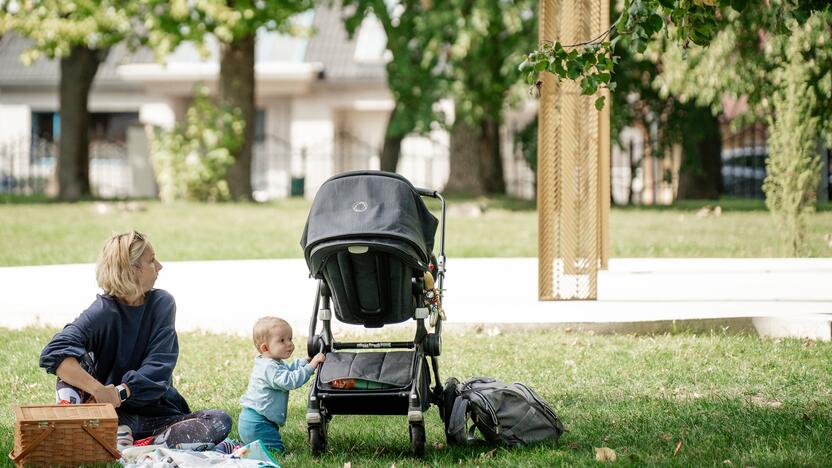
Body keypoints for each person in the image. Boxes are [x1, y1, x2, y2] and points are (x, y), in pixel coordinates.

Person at [39, 230, 232, 450]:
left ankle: (141, 444)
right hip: (112, 417)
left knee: (219, 421)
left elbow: (158, 368)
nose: (159, 266)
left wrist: (119, 392)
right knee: (72, 359)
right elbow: (55, 351)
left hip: (159, 417)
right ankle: (91, 429)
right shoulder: (103, 311)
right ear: (132, 270)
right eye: (151, 261)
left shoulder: (162, 303)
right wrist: (98, 390)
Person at [238, 317, 325, 453]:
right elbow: (290, 381)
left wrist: (305, 362)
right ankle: (239, 450)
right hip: (258, 423)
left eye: (290, 339)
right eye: (282, 341)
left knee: (257, 450)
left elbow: (288, 370)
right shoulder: (269, 368)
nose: (289, 344)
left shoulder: (272, 362)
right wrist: (312, 366)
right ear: (265, 348)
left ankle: (239, 449)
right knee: (275, 452)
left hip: (257, 420)